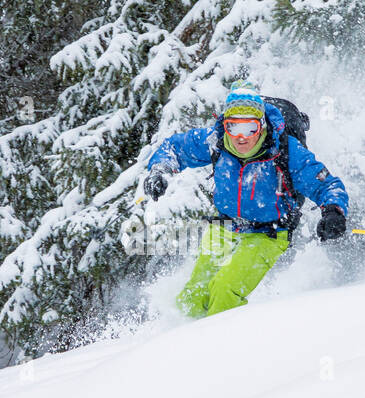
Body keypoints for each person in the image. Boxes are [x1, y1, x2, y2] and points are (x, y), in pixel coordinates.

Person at [142, 81, 349, 318]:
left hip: (267, 233)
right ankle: (188, 344)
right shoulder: (216, 141)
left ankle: (226, 348)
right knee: (193, 296)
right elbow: (175, 148)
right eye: (234, 127)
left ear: (261, 126)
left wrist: (333, 210)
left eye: (249, 128)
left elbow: (326, 184)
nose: (241, 138)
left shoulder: (285, 151)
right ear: (225, 125)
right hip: (225, 226)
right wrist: (160, 169)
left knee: (224, 290)